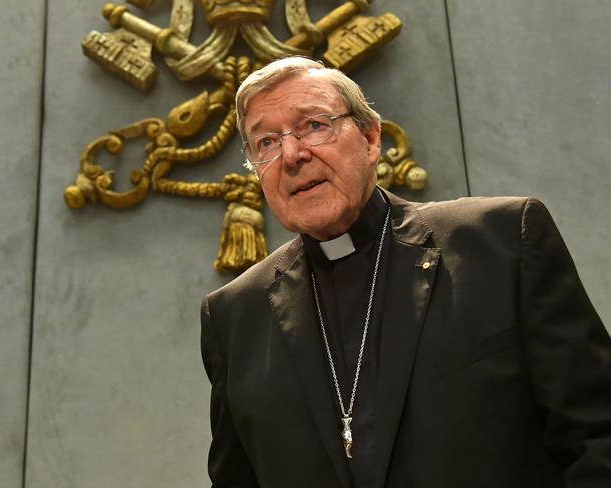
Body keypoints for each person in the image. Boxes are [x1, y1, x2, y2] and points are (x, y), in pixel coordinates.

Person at [200, 56, 611, 487]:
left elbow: (597, 438)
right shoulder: (234, 317)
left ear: (371, 137)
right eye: (265, 142)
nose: (291, 155)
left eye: (314, 125)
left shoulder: (501, 243)